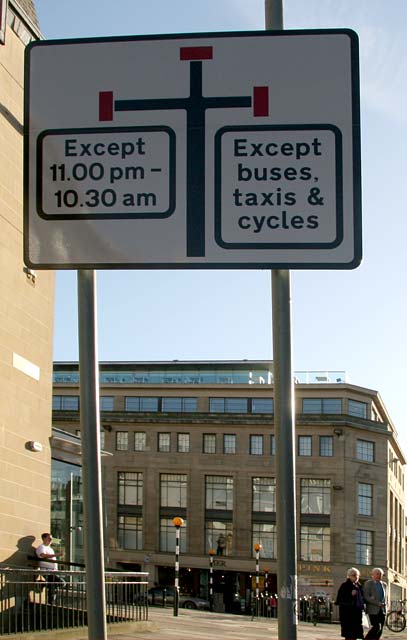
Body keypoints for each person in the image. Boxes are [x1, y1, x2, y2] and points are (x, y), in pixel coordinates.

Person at [335, 567, 364, 639]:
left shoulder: (359, 586)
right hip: (348, 615)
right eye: (354, 575)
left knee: (356, 635)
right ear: (349, 576)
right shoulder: (345, 585)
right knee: (349, 635)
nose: (356, 577)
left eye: (357, 575)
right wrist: (350, 595)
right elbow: (340, 599)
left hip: (357, 613)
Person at [35, 533, 64, 604]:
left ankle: (51, 601)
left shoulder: (50, 549)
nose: (51, 540)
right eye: (49, 538)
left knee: (53, 585)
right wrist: (57, 555)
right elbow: (42, 555)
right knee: (61, 583)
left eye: (51, 538)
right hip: (46, 570)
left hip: (52, 571)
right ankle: (42, 584)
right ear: (44, 538)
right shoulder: (41, 547)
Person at [363, 568, 387, 639]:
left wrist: (385, 604)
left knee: (380, 629)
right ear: (372, 575)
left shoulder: (384, 584)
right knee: (376, 627)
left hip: (382, 610)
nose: (379, 576)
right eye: (377, 574)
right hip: (373, 610)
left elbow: (385, 597)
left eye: (380, 574)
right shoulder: (369, 583)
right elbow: (366, 597)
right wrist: (377, 603)